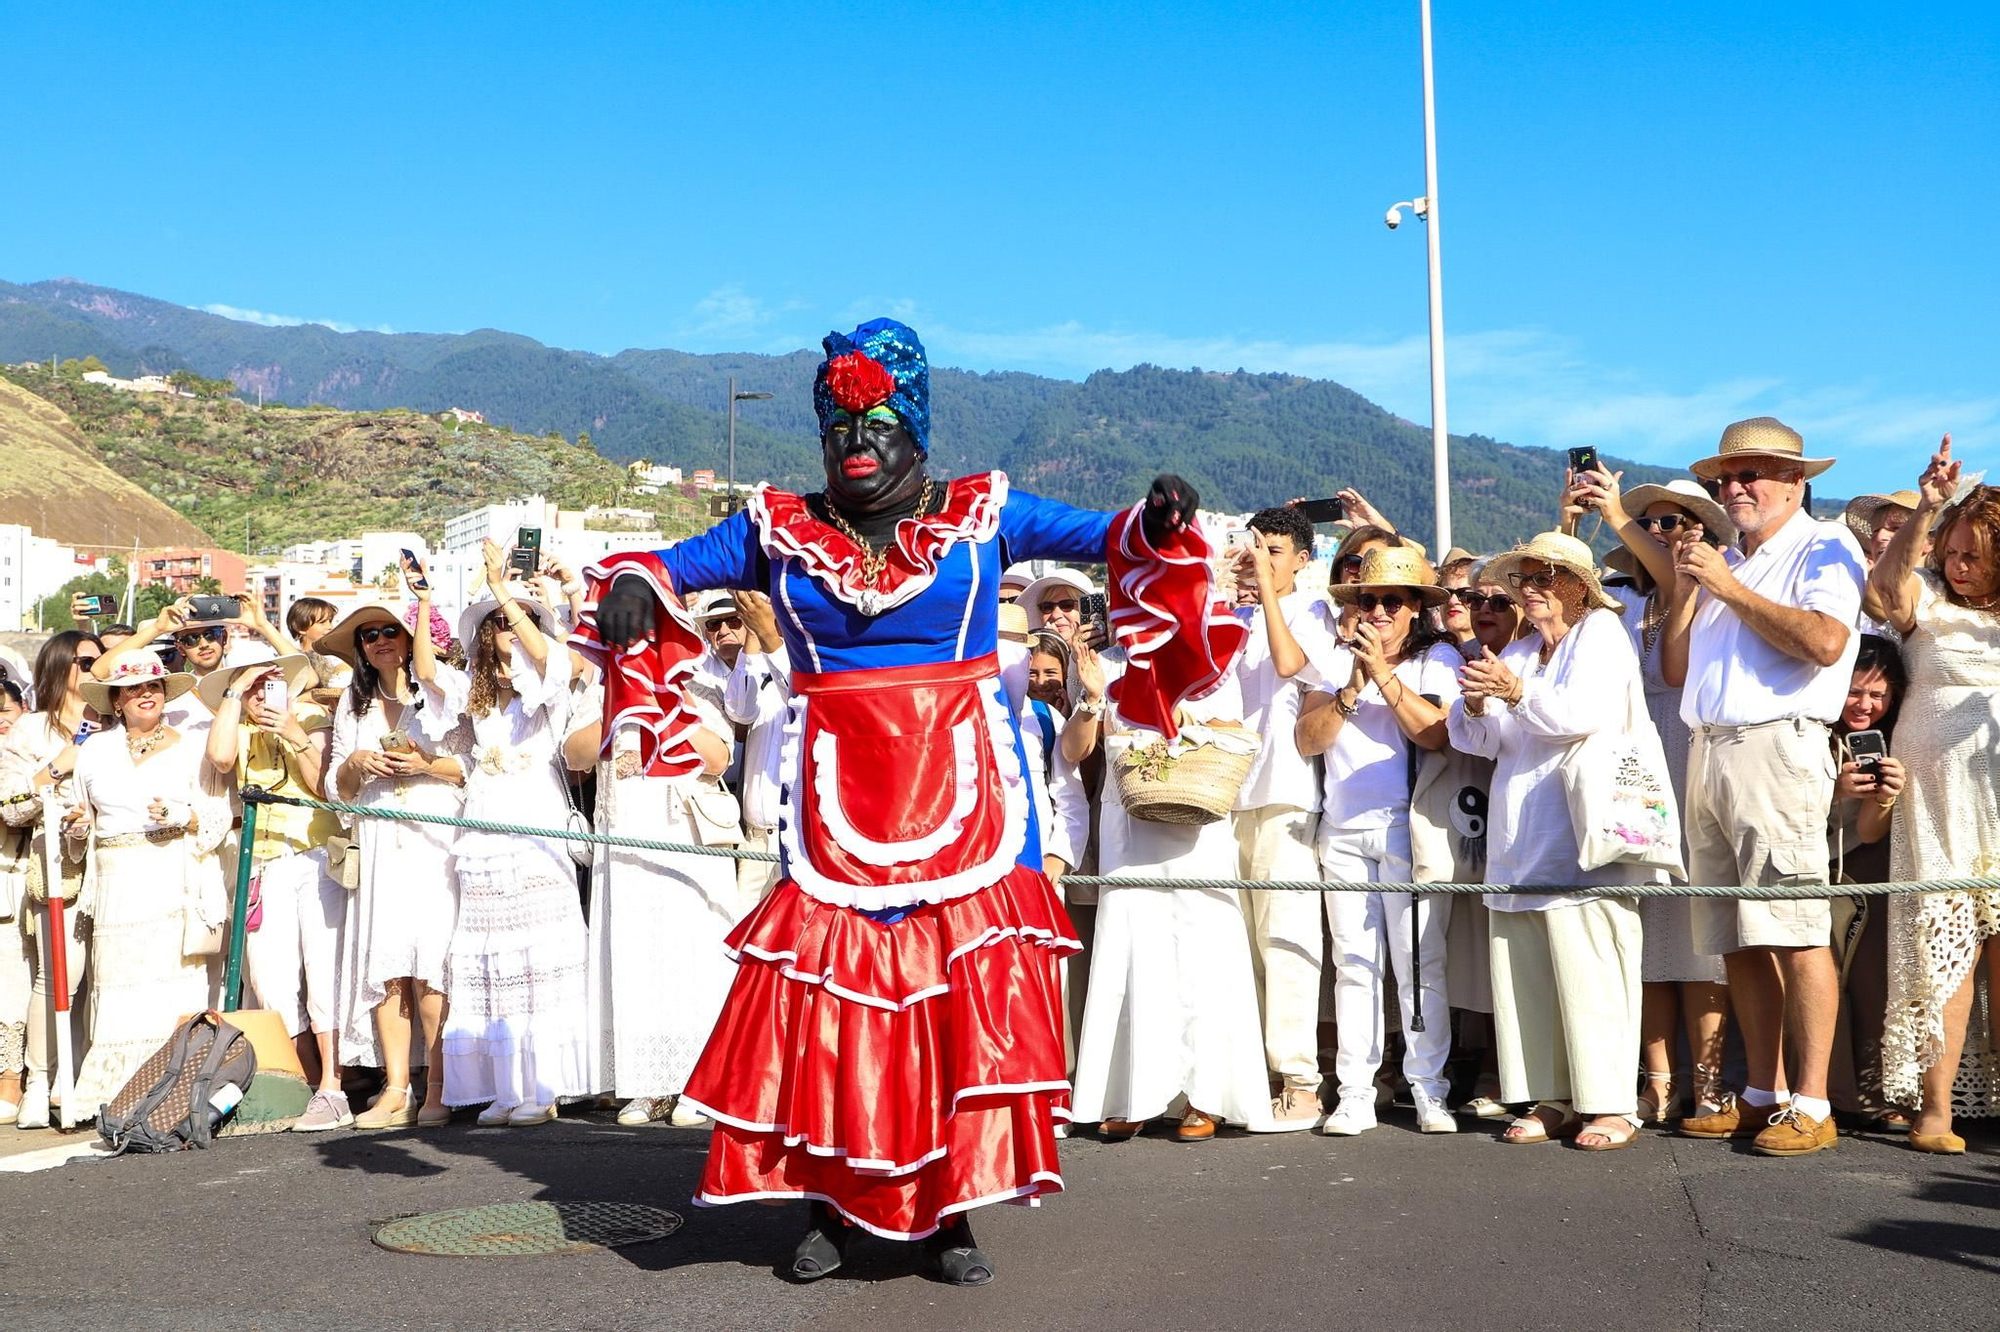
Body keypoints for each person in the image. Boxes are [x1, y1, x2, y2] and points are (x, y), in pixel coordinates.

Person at [583, 317, 1233, 1286]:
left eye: (877, 427)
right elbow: (663, 567)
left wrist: (1161, 516)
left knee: (957, 1008)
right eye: (840, 431)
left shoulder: (985, 512)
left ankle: (951, 1219)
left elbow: (1111, 537)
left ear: (916, 434)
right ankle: (830, 1210)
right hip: (835, 796)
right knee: (834, 1007)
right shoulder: (773, 527)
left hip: (968, 789)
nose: (857, 447)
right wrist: (634, 584)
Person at [1663, 417, 1866, 1157]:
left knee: (1797, 928)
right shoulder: (1732, 559)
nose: (1735, 487)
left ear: (1796, 483)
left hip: (1777, 745)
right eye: (1727, 477)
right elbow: (1677, 671)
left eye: (1751, 474)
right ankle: (1763, 1093)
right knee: (1737, 939)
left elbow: (1824, 642)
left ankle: (1812, 1102)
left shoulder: (1825, 545)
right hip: (1710, 748)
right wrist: (1693, 589)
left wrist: (1725, 585)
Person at [1447, 531, 1658, 1151]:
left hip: (1582, 839)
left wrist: (1511, 693)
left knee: (1592, 971)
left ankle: (1613, 1103)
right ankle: (1553, 1096)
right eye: (1526, 578)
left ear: (1578, 585)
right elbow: (1474, 740)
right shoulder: (1519, 651)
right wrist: (1480, 704)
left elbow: (1578, 715)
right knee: (1528, 975)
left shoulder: (1602, 635)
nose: (1533, 588)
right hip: (1522, 837)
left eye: (1547, 576)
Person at [1570, 469, 1736, 1121]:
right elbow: (1565, 598)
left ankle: (1711, 1080)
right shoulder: (1629, 605)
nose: (1664, 534)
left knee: (1699, 943)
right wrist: (1579, 522)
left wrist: (1618, 515)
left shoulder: (1714, 593)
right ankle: (1660, 1082)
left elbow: (1676, 665)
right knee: (1652, 938)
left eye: (1676, 523)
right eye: (1655, 523)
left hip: (1690, 756)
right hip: (1639, 769)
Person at [1068, 626, 1275, 1145]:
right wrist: (1093, 698)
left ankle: (1207, 1096)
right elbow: (1080, 753)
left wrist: (1177, 715)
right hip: (1128, 825)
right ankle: (1132, 1094)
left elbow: (1235, 732)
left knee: (1204, 952)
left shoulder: (1212, 663)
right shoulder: (1104, 662)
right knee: (1133, 952)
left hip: (1196, 824)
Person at [408, 545, 592, 1127]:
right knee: (492, 958)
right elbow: (429, 673)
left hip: (535, 826)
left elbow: (549, 658)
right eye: (500, 622)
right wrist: (423, 603)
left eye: (522, 622)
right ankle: (506, 1087)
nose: (513, 629)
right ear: (486, 636)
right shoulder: (479, 694)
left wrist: (508, 594)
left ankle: (546, 1087)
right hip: (486, 828)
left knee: (540, 954)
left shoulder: (549, 681)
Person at [1295, 545, 1461, 1135]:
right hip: (1341, 830)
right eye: (1370, 599)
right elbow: (1308, 741)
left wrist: (1383, 678)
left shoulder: (1436, 659)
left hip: (1408, 829)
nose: (1381, 610)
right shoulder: (1332, 660)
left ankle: (1427, 1088)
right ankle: (1356, 1094)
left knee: (1421, 964)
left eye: (1394, 600)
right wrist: (1350, 686)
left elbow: (1437, 734)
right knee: (1354, 966)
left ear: (1416, 608)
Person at [1867, 437, 2000, 1152]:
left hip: (1997, 786)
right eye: (1950, 551)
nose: (1956, 565)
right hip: (1939, 798)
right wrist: (1927, 508)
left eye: (1972, 554)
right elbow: (1883, 591)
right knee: (1946, 954)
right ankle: (1935, 1113)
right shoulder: (1929, 607)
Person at [566, 657, 739, 1128]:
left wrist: (670, 698)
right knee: (635, 958)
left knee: (690, 956)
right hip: (622, 842)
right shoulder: (602, 684)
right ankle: (648, 1084)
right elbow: (576, 756)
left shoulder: (695, 682)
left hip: (684, 839)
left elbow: (719, 758)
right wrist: (620, 699)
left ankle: (701, 1082)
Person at [324, 600, 469, 1130]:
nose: (380, 640)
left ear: (412, 637)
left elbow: (474, 766)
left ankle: (440, 1085)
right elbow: (333, 790)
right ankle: (396, 1087)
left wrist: (425, 764)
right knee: (387, 968)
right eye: (368, 636)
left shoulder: (447, 686)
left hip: (437, 834)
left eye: (390, 630)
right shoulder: (353, 701)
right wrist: (355, 764)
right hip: (381, 833)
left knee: (433, 963)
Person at [66, 658, 232, 1114]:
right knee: (117, 986)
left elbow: (220, 816)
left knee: (169, 987)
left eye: (155, 684)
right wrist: (78, 828)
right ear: (117, 701)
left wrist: (185, 817)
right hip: (116, 882)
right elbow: (81, 818)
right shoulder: (94, 750)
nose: (146, 692)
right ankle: (111, 1099)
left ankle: (172, 1093)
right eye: (134, 687)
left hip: (170, 876)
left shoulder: (191, 745)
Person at [200, 654, 349, 1129]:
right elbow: (221, 758)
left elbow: (325, 787)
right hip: (261, 860)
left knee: (324, 973)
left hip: (316, 853)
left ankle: (334, 1085)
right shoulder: (237, 727)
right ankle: (301, 1082)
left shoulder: (310, 716)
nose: (262, 692)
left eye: (271, 680)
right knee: (271, 981)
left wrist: (292, 729)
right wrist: (233, 690)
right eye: (253, 683)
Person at [1229, 505, 1340, 1129]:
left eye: (1275, 549)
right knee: (1236, 947)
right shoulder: (1233, 613)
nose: (1262, 559)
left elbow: (1291, 665)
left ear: (1303, 558)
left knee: (1286, 943)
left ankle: (1300, 1080)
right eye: (1256, 548)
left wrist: (1268, 595)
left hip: (1286, 793)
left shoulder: (1315, 613)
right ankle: (1245, 1074)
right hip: (1221, 796)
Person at [0, 632, 103, 1129]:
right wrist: (58, 769)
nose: (95, 668)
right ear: (60, 666)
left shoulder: (113, 722)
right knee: (60, 972)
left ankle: (79, 1079)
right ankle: (38, 1082)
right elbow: (12, 806)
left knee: (100, 977)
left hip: (112, 859)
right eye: (86, 661)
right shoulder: (31, 730)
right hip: (54, 864)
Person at [1825, 635, 1906, 1126]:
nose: (1865, 705)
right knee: (1824, 982)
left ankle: (1876, 1093)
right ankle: (1833, 1094)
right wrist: (1833, 786)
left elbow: (1870, 833)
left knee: (1872, 979)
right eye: (1855, 692)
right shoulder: (1809, 730)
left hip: (1862, 867)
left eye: (1878, 695)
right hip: (1810, 867)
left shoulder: (1895, 741)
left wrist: (1883, 797)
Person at [723, 590, 793, 901]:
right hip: (753, 839)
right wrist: (752, 634)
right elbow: (739, 709)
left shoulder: (810, 669)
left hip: (795, 841)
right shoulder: (758, 667)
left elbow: (800, 697)